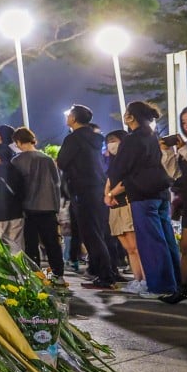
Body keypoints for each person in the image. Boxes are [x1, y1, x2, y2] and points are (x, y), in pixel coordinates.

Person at [106, 101, 180, 298]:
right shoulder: (152, 136)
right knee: (166, 238)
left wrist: (114, 184)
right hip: (161, 191)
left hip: (143, 193)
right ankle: (175, 283)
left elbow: (118, 168)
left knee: (150, 240)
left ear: (131, 117)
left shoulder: (133, 138)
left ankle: (159, 286)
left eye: (126, 113)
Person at [57, 104, 120, 289]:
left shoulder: (73, 139)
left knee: (90, 234)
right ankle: (107, 271)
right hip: (98, 187)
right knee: (100, 232)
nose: (67, 118)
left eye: (69, 115)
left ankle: (105, 276)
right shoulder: (96, 138)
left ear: (73, 119)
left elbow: (62, 162)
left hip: (82, 189)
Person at [158, 104, 187, 304]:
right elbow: (175, 175)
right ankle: (185, 288)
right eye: (184, 122)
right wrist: (167, 152)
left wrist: (184, 149)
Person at [11, 128, 65, 283]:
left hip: (27, 208)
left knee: (31, 244)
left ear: (19, 142)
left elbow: (16, 187)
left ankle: (35, 276)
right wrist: (56, 207)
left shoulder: (16, 161)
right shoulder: (47, 159)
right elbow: (56, 184)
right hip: (48, 207)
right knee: (52, 243)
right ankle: (57, 275)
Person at [103, 130, 146, 294]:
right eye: (108, 141)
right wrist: (106, 195)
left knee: (136, 247)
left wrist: (110, 194)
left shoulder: (130, 159)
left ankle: (146, 280)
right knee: (128, 248)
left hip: (127, 203)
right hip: (114, 206)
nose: (110, 144)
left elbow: (126, 181)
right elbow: (109, 179)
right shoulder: (113, 161)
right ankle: (137, 280)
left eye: (113, 140)